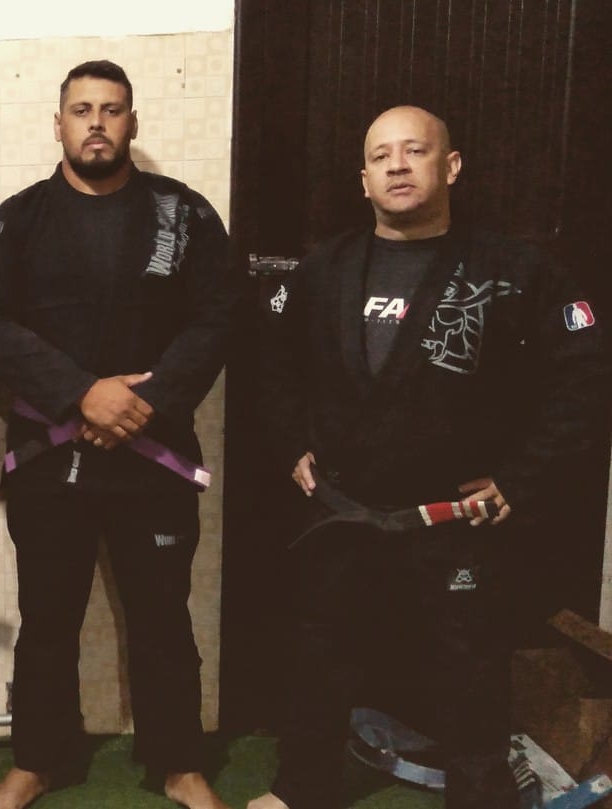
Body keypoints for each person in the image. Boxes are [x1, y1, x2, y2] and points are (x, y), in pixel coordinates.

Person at [248, 106, 610, 809]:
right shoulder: (327, 267)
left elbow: (585, 374)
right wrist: (293, 443)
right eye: (381, 155)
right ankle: (302, 788)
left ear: (451, 166)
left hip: (454, 513)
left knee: (469, 671)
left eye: (415, 150)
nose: (397, 165)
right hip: (344, 505)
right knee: (319, 656)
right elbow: (273, 361)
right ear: (364, 179)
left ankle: (480, 798)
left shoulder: (514, 268)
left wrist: (522, 477)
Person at [0, 60, 239, 809]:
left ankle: (178, 763)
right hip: (51, 456)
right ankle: (37, 760)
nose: (97, 123)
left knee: (163, 616)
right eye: (82, 110)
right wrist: (81, 393)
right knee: (46, 619)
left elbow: (217, 317)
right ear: (58, 124)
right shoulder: (18, 219)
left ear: (132, 123)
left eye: (112, 109)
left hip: (153, 453)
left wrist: (144, 403)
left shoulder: (185, 215)